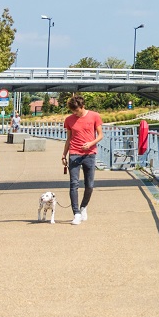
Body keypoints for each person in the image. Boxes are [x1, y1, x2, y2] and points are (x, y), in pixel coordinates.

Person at [62, 95, 104, 225]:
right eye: (73, 111)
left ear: (82, 106)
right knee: (73, 184)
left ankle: (83, 206)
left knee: (89, 185)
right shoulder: (69, 120)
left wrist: (91, 143)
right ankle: (76, 213)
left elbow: (100, 135)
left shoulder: (94, 116)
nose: (75, 113)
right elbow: (69, 139)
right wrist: (64, 154)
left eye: (76, 110)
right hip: (74, 153)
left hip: (90, 154)